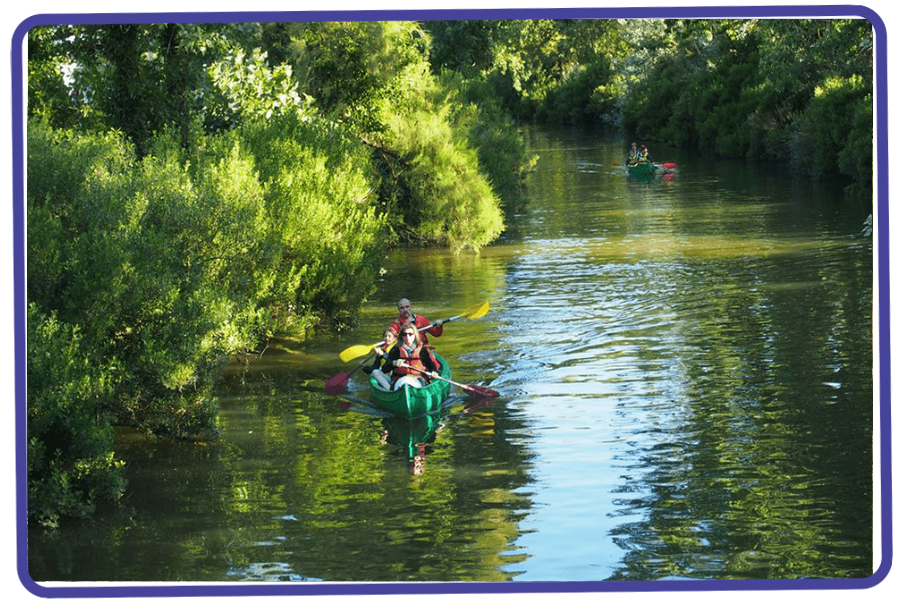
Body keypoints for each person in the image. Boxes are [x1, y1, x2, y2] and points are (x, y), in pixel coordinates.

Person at [379, 323, 440, 391]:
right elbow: (384, 369)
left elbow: (431, 365)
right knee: (404, 382)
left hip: (418, 379)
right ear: (401, 336)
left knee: (407, 382)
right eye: (405, 334)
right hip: (400, 380)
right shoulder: (395, 350)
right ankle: (395, 392)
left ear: (414, 335)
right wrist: (394, 363)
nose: (408, 337)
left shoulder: (422, 350)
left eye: (410, 334)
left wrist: (434, 372)